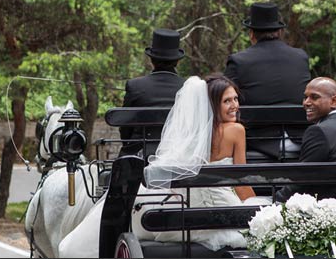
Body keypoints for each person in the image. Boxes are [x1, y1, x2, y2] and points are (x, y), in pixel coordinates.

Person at [58, 75, 267, 257]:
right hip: (220, 208)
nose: (234, 105)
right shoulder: (236, 130)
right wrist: (259, 208)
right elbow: (241, 183)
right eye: (227, 101)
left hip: (189, 209)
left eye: (235, 99)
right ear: (213, 105)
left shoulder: (191, 135)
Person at [224, 2, 311, 159]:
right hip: (301, 139)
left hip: (258, 142)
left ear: (251, 33)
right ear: (279, 31)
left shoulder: (238, 61)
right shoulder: (301, 57)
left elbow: (224, 102)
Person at [275, 77, 336, 202]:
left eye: (314, 97)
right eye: (305, 97)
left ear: (334, 101)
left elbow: (302, 178)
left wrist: (276, 199)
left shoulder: (318, 131)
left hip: (323, 209)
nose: (306, 102)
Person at [119, 28, 186, 157]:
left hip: (139, 154)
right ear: (177, 61)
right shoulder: (187, 87)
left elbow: (125, 128)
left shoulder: (135, 85)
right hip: (178, 154)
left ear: (151, 60)